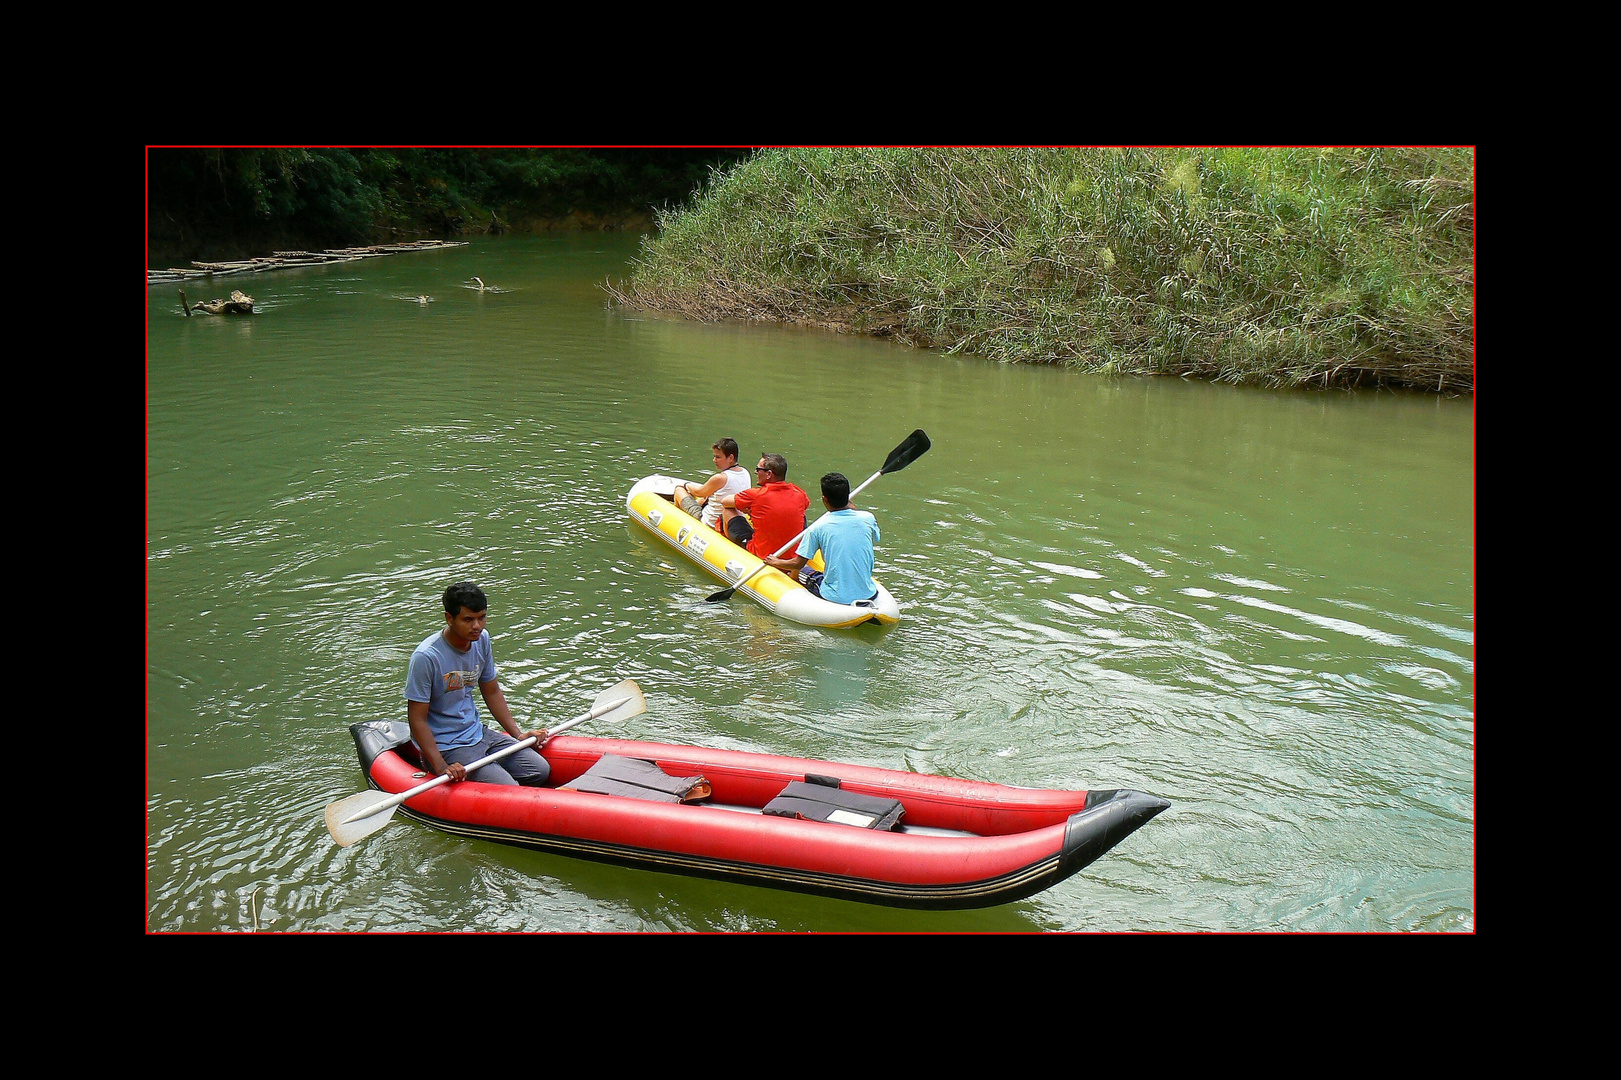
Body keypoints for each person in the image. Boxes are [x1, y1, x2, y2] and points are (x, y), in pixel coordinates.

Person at [404, 581, 550, 786]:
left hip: (478, 733)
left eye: (482, 618)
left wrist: (517, 734)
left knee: (539, 770)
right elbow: (417, 719)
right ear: (449, 618)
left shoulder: (481, 640)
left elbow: (492, 691)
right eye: (468, 619)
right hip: (447, 745)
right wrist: (440, 766)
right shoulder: (426, 657)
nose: (477, 626)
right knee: (509, 788)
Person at [764, 472, 880, 604]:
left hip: (833, 596)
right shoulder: (868, 518)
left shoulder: (817, 527)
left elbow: (798, 564)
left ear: (825, 499)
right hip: (869, 593)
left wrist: (775, 562)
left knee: (805, 570)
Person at [722, 452, 810, 559]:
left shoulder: (756, 495)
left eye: (758, 469)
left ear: (768, 474)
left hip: (763, 554)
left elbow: (725, 501)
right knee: (802, 515)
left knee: (728, 511)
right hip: (791, 555)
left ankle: (727, 545)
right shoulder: (800, 493)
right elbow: (804, 506)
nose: (755, 472)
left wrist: (746, 508)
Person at [671, 438, 750, 533]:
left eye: (718, 457)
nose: (714, 460)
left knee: (679, 490)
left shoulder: (720, 478)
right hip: (731, 522)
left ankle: (675, 523)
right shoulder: (745, 473)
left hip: (709, 522)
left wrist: (686, 485)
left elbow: (698, 492)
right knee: (705, 499)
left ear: (730, 458)